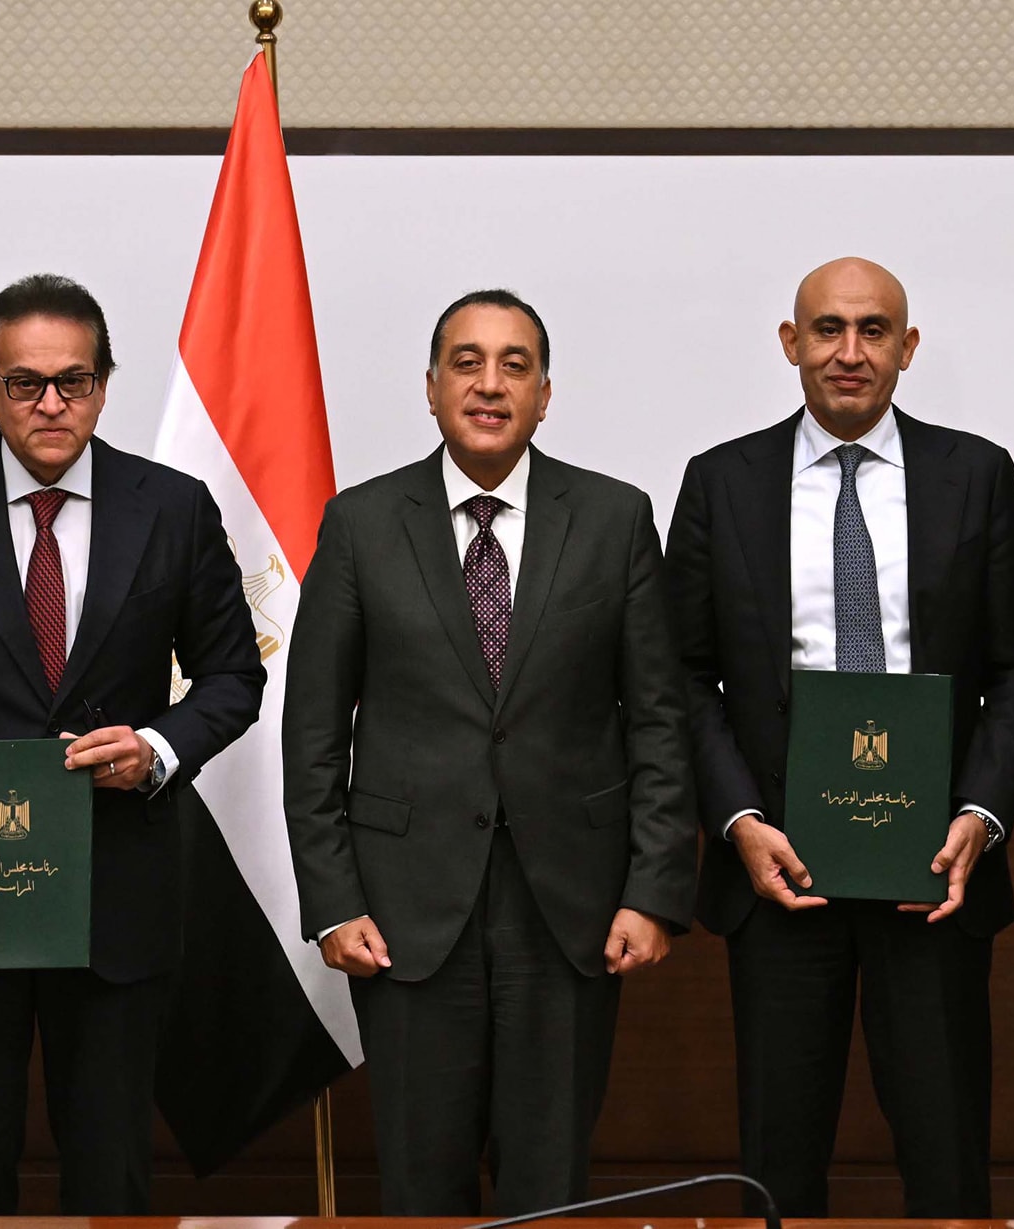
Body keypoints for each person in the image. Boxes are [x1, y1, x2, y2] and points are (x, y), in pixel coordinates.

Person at [0, 274, 265, 1214]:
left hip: (117, 893)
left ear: (104, 386)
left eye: (74, 380)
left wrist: (156, 748)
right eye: (25, 383)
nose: (52, 403)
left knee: (110, 1177)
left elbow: (234, 677)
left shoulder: (174, 507)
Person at [283, 289, 696, 1215]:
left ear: (545, 394)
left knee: (548, 1187)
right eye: (466, 362)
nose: (489, 383)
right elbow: (312, 733)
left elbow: (659, 721)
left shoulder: (615, 517)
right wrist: (333, 901)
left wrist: (653, 890)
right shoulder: (359, 524)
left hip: (572, 911)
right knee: (421, 1186)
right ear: (431, 387)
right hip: (404, 914)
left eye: (516, 365)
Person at [663, 258, 1014, 1217]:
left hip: (934, 870)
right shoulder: (720, 482)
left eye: (874, 330)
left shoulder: (977, 475)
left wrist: (981, 816)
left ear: (908, 348)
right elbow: (683, 676)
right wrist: (739, 821)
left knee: (948, 1161)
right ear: (791, 343)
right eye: (828, 329)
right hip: (781, 868)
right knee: (779, 1164)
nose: (850, 351)